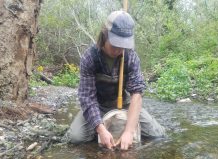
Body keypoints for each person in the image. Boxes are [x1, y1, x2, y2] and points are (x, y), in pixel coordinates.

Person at [69, 10, 165, 150]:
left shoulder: (131, 57)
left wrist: (129, 131)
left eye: (123, 45)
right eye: (115, 45)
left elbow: (136, 95)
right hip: (98, 106)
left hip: (125, 105)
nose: (119, 50)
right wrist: (101, 129)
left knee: (157, 135)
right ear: (104, 35)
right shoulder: (89, 57)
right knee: (76, 138)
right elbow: (87, 98)